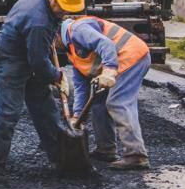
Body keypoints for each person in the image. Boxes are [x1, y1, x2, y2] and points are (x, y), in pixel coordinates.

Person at [0, 0, 86, 184]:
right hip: (9, 58)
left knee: (44, 106)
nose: (64, 14)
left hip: (29, 47)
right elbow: (38, 61)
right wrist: (57, 76)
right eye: (62, 8)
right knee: (7, 112)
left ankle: (61, 158)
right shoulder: (39, 22)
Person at [61, 15, 152, 170]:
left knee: (117, 102)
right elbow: (81, 87)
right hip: (119, 62)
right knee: (98, 104)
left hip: (131, 56)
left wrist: (109, 69)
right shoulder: (71, 50)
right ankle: (106, 150)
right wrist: (77, 116)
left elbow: (106, 44)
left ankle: (136, 155)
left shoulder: (77, 29)